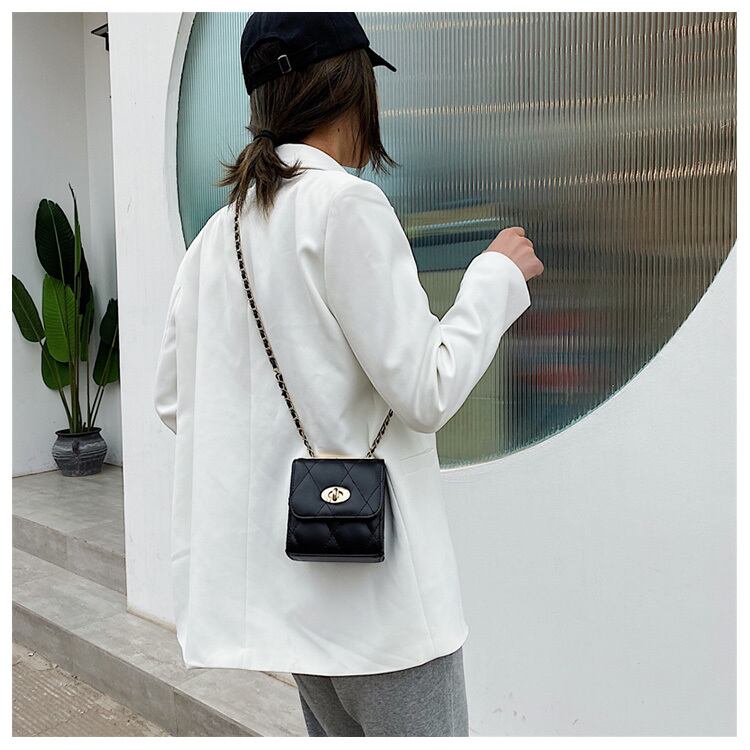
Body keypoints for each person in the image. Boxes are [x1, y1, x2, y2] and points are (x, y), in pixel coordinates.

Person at [153, 12, 544, 738]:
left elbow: (177, 402)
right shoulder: (346, 207)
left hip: (301, 610)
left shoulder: (218, 234)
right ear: (350, 87)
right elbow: (426, 390)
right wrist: (494, 278)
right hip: (383, 612)